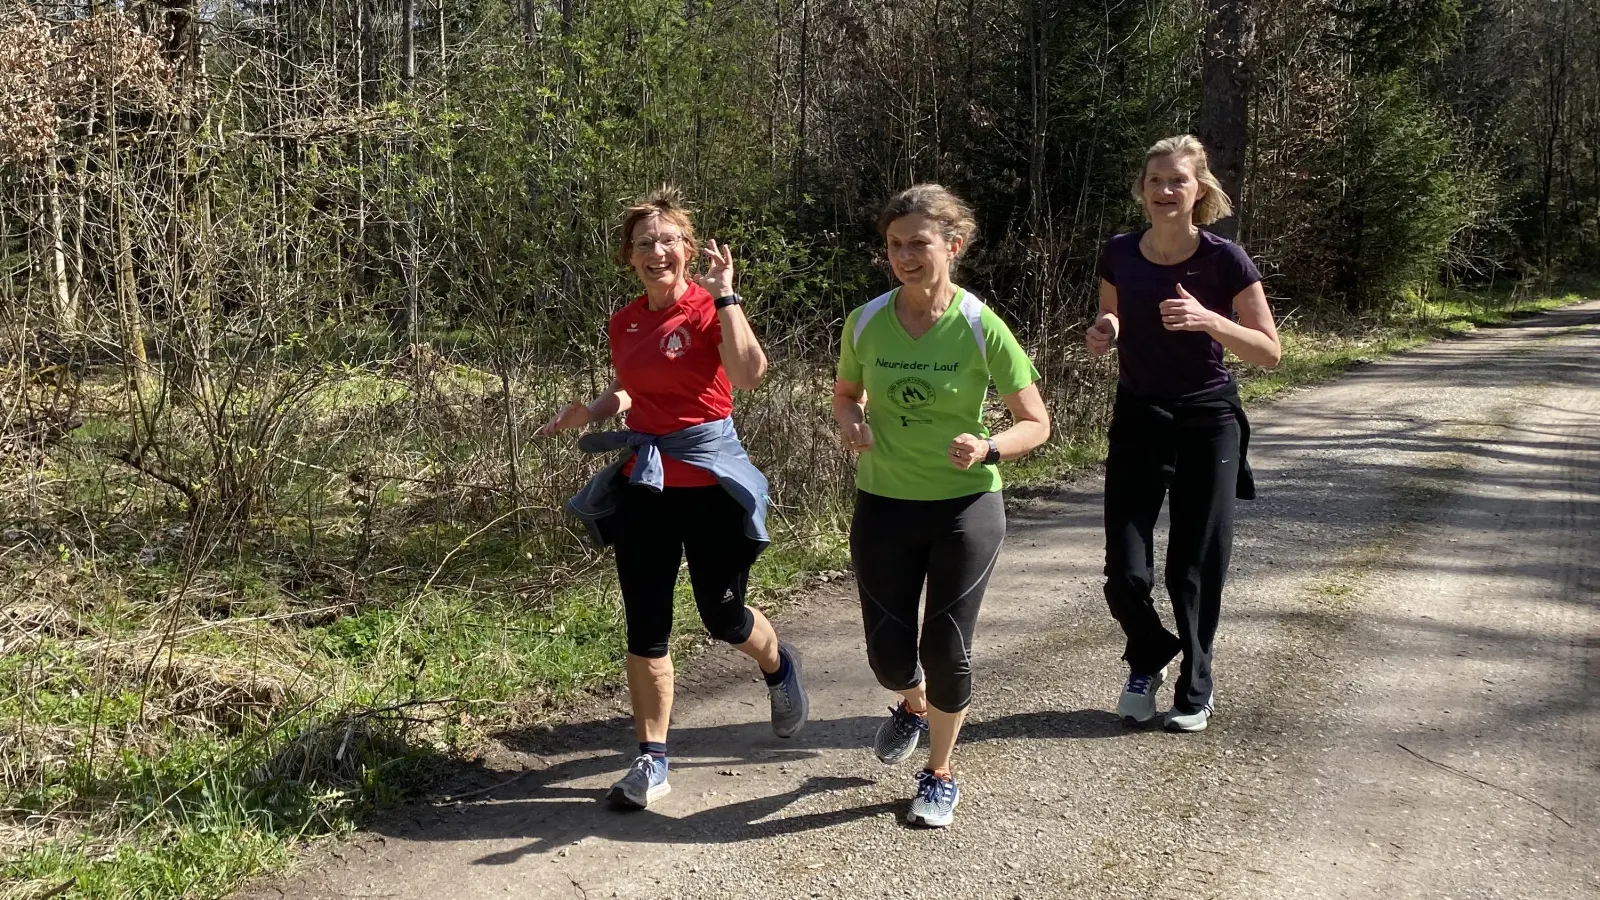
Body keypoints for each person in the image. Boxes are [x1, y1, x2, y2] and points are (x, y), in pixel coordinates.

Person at [541, 187, 809, 810]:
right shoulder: (626, 319)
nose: (656, 252)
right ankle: (652, 759)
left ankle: (778, 666)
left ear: (688, 250)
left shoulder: (709, 307)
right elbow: (632, 391)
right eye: (643, 244)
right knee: (646, 625)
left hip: (711, 483)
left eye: (668, 241)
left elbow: (747, 376)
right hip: (648, 483)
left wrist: (727, 297)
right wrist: (594, 407)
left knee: (723, 617)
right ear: (628, 258)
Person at [833, 184, 1050, 827]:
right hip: (884, 502)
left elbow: (1035, 422)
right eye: (894, 245)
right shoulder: (866, 321)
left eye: (918, 243)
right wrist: (850, 423)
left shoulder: (982, 326)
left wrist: (989, 447)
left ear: (952, 246)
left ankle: (940, 773)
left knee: (947, 645)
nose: (904, 255)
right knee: (889, 656)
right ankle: (910, 704)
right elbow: (847, 394)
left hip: (964, 509)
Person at [1087, 134, 1282, 733]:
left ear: (1199, 190)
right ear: (1142, 190)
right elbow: (1115, 310)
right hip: (1140, 415)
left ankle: (1196, 684)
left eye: (1178, 181)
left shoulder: (1225, 260)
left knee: (1193, 565)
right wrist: (1107, 328)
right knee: (1125, 571)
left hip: (1208, 420)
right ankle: (1148, 653)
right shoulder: (1119, 252)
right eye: (1155, 181)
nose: (1165, 191)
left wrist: (1208, 319)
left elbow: (1270, 352)